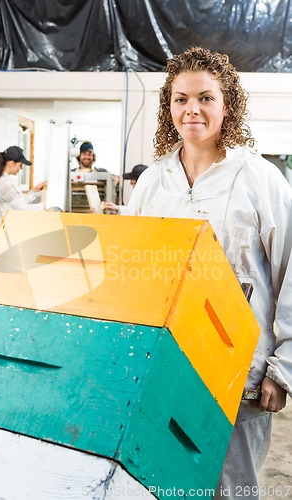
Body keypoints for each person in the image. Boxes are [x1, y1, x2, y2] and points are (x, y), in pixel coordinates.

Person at [123, 46, 292, 499]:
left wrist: (284, 367)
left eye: (205, 97)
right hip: (166, 363)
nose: (191, 109)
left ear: (227, 105)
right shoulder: (154, 181)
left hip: (241, 371)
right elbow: (132, 271)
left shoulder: (260, 179)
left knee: (233, 487)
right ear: (168, 107)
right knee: (163, 479)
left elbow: (290, 274)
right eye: (180, 99)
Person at [0, 145, 46, 216]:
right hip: (11, 225)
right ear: (11, 163)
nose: (20, 168)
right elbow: (23, 209)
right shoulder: (4, 184)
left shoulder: (5, 181)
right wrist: (44, 204)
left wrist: (34, 191)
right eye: (20, 165)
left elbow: (19, 203)